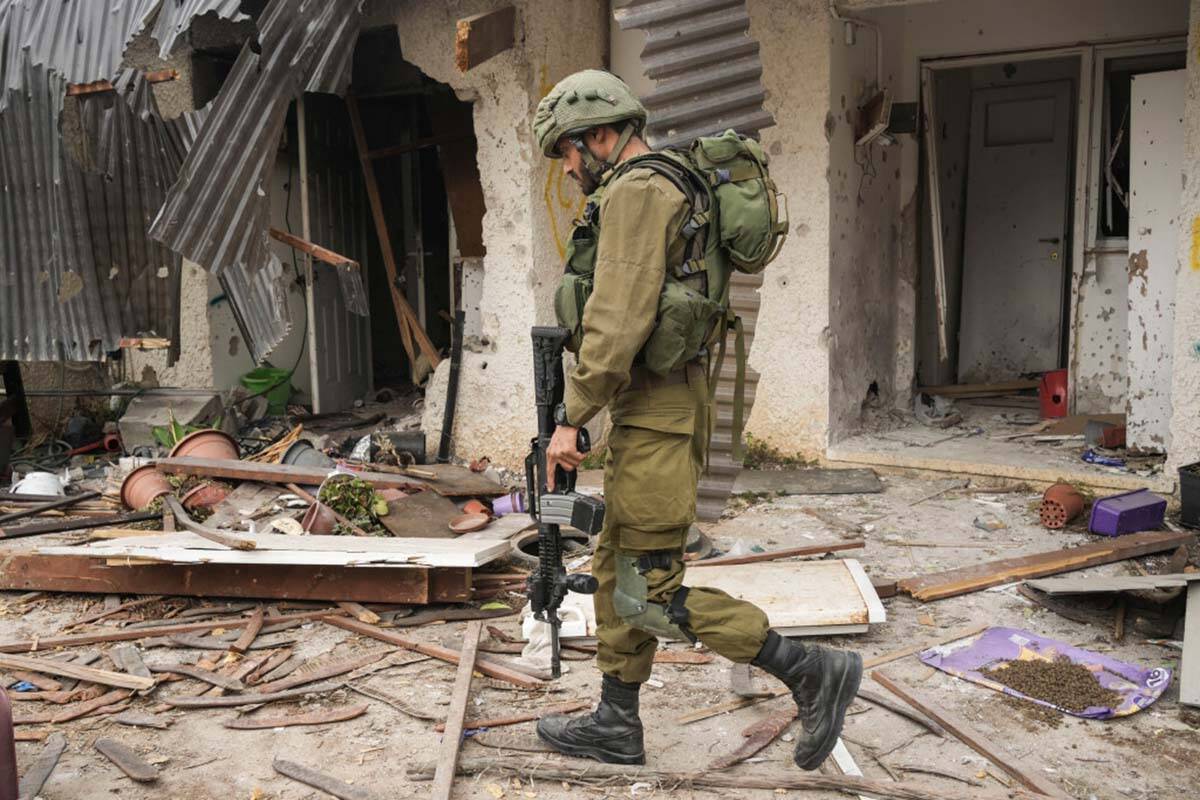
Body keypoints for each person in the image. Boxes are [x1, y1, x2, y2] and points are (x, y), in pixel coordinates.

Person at [529, 69, 862, 770]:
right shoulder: (652, 184)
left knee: (651, 593)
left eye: (566, 151)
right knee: (617, 564)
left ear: (600, 135)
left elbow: (619, 319)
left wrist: (573, 414)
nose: (565, 167)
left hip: (659, 415)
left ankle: (807, 669)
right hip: (645, 409)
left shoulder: (641, 191)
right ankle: (618, 722)